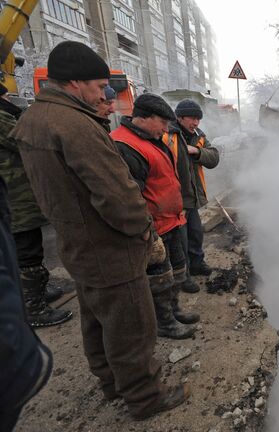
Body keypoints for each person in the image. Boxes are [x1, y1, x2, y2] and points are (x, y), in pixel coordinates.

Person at [9, 41, 189, 420]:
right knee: (132, 324)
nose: (104, 95)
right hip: (108, 244)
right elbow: (115, 193)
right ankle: (144, 396)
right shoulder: (75, 126)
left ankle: (110, 382)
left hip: (74, 240)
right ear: (75, 83)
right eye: (98, 86)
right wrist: (142, 229)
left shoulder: (32, 120)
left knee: (96, 317)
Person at [111, 93, 200, 339]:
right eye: (162, 122)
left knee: (176, 270)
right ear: (145, 118)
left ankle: (174, 309)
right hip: (153, 226)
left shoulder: (151, 138)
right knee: (159, 277)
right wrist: (147, 229)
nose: (165, 128)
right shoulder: (125, 145)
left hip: (171, 220)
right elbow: (129, 196)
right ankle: (164, 322)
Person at [0, 82, 72, 327]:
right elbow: (26, 140)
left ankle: (35, 293)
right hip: (14, 199)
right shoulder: (2, 118)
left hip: (17, 195)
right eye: (5, 93)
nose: (10, 97)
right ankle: (33, 310)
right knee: (26, 251)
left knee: (28, 248)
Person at [0, 176, 53, 432]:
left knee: (28, 253)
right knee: (27, 252)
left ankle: (35, 296)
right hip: (20, 203)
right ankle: (35, 304)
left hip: (19, 203)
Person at [163, 99, 219, 285]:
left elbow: (213, 158)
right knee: (180, 240)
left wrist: (196, 151)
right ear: (179, 117)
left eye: (198, 119)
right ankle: (183, 275)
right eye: (192, 118)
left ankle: (197, 264)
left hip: (192, 197)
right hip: (175, 199)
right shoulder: (167, 135)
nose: (196, 123)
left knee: (196, 234)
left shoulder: (198, 136)